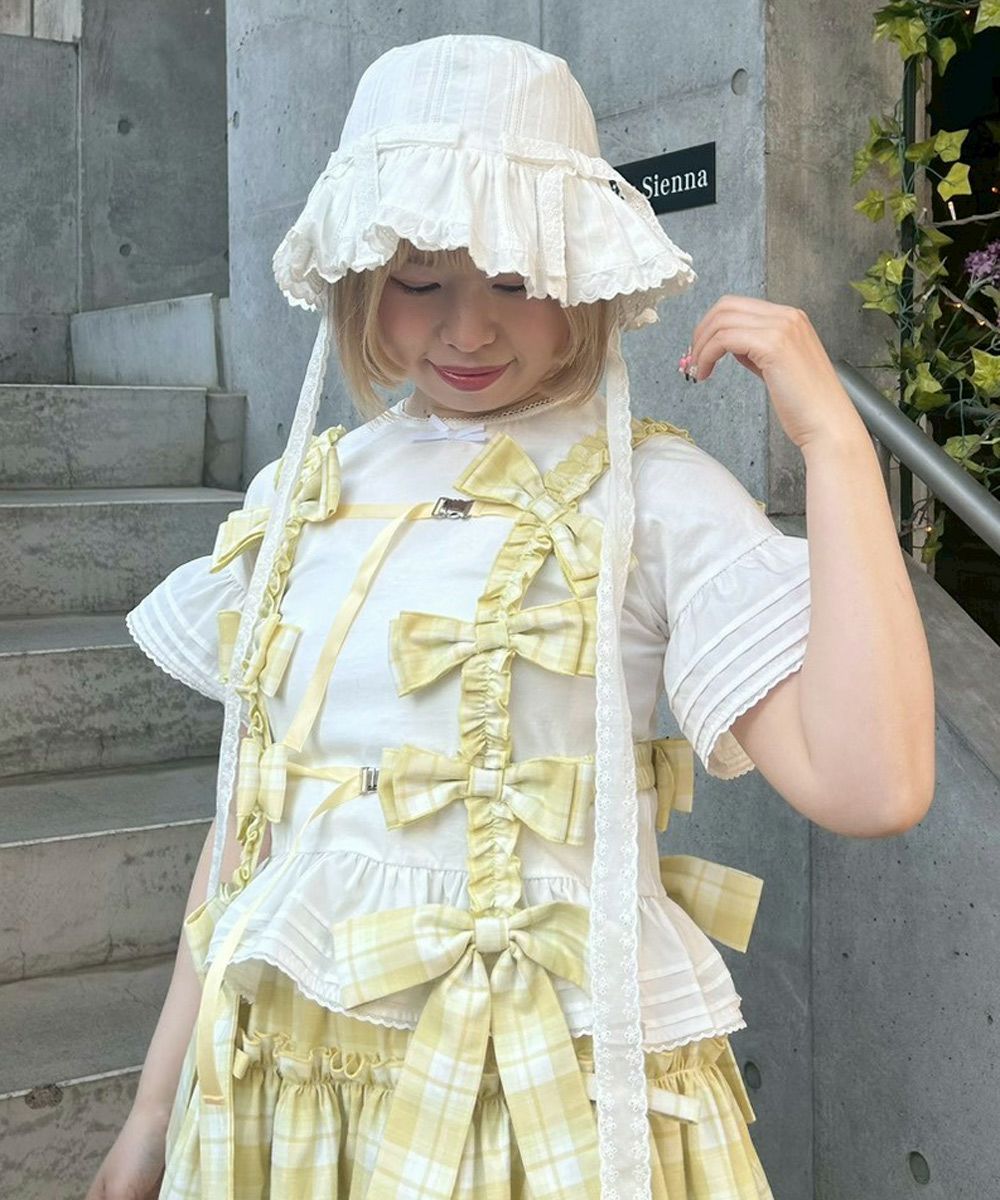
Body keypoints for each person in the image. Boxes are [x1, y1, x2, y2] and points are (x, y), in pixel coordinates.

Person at [85, 32, 934, 1200]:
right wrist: (149, 1114)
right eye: (420, 281)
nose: (468, 330)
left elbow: (872, 786)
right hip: (280, 1096)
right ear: (361, 279)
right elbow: (247, 825)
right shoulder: (303, 491)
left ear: (581, 277)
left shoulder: (655, 494)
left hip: (546, 1107)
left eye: (517, 282)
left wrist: (833, 440)